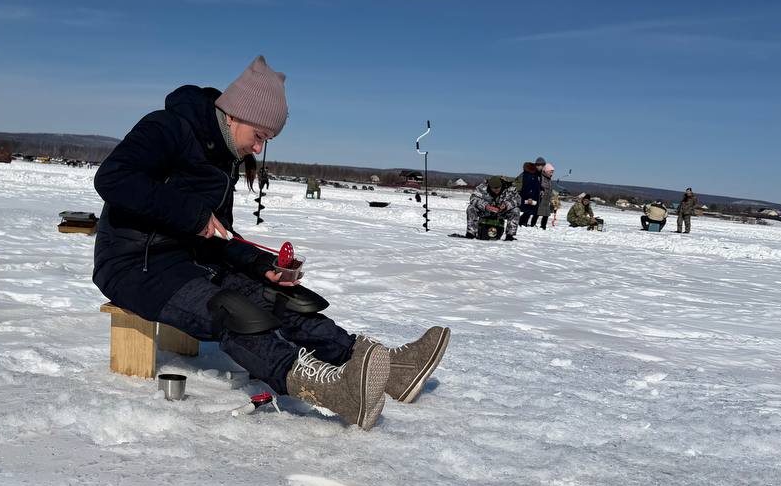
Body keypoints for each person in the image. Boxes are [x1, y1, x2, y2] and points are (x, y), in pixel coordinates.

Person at [92, 56, 450, 429]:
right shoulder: (167, 127)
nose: (259, 150)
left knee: (279, 298)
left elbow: (220, 236)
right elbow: (113, 179)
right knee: (233, 311)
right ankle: (329, 390)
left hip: (192, 261)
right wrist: (193, 216)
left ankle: (391, 370)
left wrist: (261, 267)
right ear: (234, 115)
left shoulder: (224, 156)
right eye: (260, 136)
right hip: (135, 264)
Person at [466, 176, 520, 240]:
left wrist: (506, 205)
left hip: (501, 212)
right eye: (494, 188)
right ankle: (471, 233)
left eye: (498, 188)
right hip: (486, 211)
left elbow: (518, 200)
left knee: (516, 210)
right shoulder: (482, 187)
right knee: (471, 208)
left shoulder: (510, 189)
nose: (496, 190)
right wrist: (485, 206)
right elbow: (473, 198)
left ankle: (510, 235)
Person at [515, 159, 543, 227]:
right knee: (528, 210)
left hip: (533, 194)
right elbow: (529, 185)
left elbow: (537, 184)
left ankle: (523, 222)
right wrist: (530, 195)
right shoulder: (530, 175)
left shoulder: (535, 174)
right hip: (528, 195)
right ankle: (522, 222)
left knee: (530, 210)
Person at [535, 163, 556, 229]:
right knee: (538, 212)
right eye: (551, 172)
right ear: (546, 171)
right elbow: (540, 186)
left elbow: (550, 189)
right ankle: (533, 224)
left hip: (547, 198)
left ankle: (543, 226)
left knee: (546, 214)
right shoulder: (542, 177)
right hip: (541, 198)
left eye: (552, 172)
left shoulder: (549, 179)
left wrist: (553, 197)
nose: (552, 173)